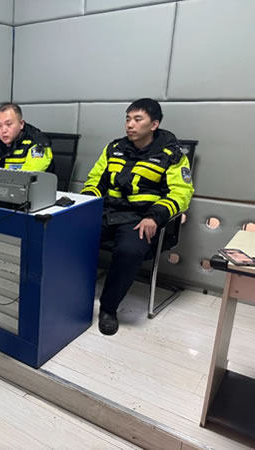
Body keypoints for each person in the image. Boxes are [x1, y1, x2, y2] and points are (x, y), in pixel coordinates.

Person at [80, 99, 194, 336]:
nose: (130, 124)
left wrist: (155, 217)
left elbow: (181, 193)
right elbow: (94, 181)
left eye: (137, 119)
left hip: (141, 219)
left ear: (154, 124)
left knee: (129, 251)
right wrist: (86, 204)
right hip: (107, 213)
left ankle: (108, 309)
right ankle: (70, 294)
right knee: (67, 233)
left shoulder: (172, 155)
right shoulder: (114, 148)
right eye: (128, 119)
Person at [0, 103, 53, 171]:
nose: (3, 130)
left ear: (21, 124)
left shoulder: (38, 144)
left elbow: (29, 175)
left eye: (8, 124)